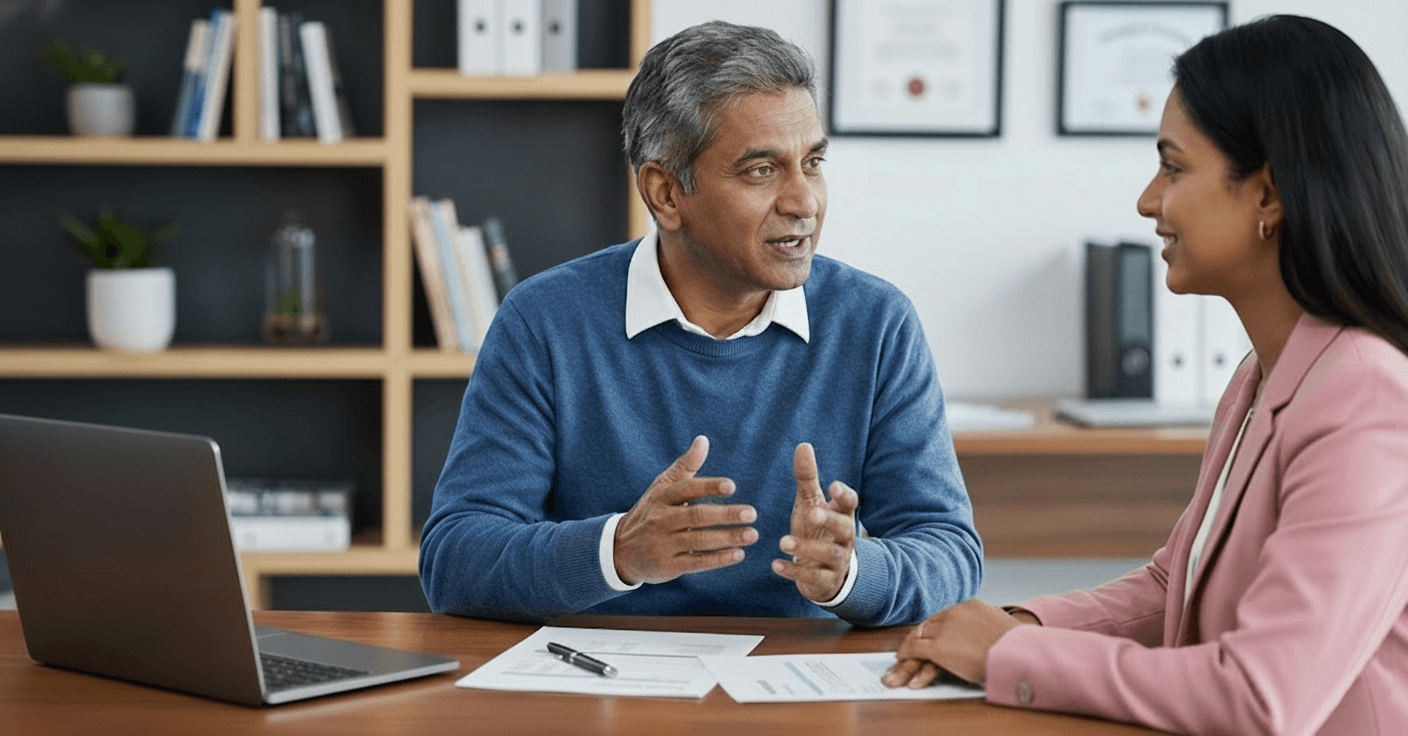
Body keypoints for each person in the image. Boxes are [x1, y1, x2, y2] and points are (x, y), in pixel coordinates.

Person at [883, 15, 1408, 736]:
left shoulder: (1365, 397)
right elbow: (1174, 587)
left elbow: (1263, 698)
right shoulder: (1265, 375)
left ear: (1269, 193)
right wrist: (1012, 623)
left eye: (1174, 166)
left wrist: (1011, 655)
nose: (1147, 201)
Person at [419, 21, 982, 625]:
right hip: (597, 683)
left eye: (812, 163)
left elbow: (951, 554)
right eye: (762, 171)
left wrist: (854, 574)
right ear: (665, 193)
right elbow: (455, 560)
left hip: (797, 689)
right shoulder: (544, 322)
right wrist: (618, 552)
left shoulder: (875, 323)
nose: (805, 202)